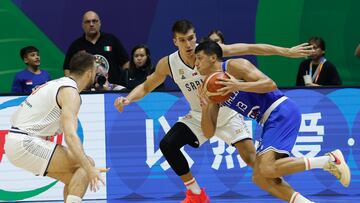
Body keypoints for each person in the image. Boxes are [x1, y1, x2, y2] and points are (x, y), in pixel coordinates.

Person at [114, 19, 315, 203]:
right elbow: (147, 86)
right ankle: (195, 193)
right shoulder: (168, 64)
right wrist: (128, 98)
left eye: (191, 38)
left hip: (228, 113)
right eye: (183, 40)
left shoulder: (210, 52)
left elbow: (251, 48)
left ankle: (297, 198)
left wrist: (286, 52)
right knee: (168, 144)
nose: (189, 44)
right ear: (175, 41)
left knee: (259, 167)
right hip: (199, 114)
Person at [196, 40, 351, 203]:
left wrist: (238, 86)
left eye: (199, 58)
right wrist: (205, 107)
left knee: (266, 168)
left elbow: (270, 85)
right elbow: (208, 133)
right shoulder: (210, 89)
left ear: (213, 57)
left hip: (280, 109)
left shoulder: (234, 66)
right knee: (260, 177)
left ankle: (329, 160)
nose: (196, 63)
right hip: (268, 120)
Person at [5, 52, 108, 203]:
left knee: (75, 177)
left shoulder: (56, 83)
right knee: (87, 164)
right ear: (90, 73)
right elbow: (70, 136)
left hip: (16, 141)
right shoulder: (70, 92)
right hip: (25, 142)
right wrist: (89, 167)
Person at [63, 10, 129, 87]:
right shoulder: (76, 46)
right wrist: (72, 86)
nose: (91, 24)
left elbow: (126, 63)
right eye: (87, 22)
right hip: (86, 91)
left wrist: (123, 81)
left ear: (99, 23)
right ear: (83, 25)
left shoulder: (111, 40)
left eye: (94, 21)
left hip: (112, 90)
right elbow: (67, 69)